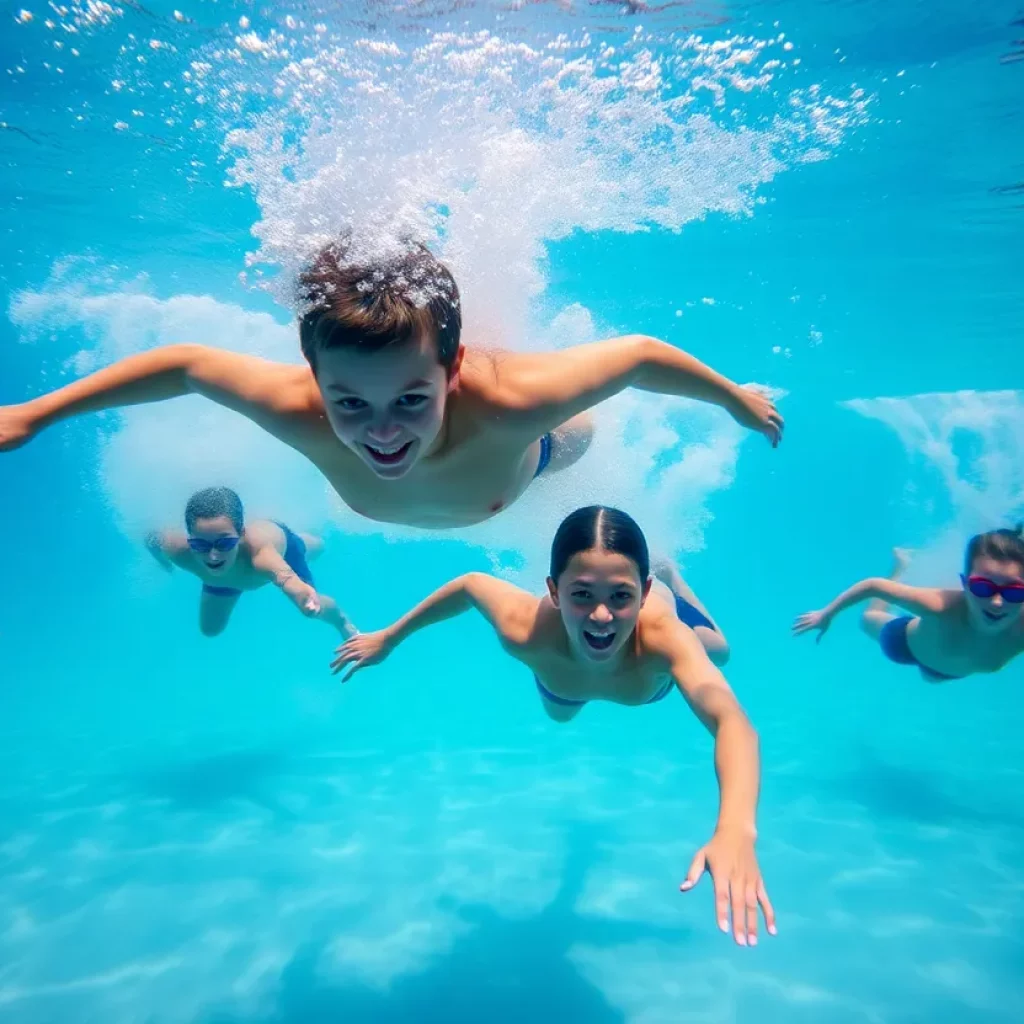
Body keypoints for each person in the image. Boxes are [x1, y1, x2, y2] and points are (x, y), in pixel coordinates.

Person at [0, 239, 783, 530]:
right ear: (315, 380)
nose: (380, 431)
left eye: (410, 399)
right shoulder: (293, 409)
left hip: (535, 455)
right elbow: (183, 368)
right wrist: (33, 415)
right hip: (472, 467)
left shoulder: (513, 402)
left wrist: (735, 401)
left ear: (453, 369)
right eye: (350, 402)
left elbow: (642, 356)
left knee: (579, 435)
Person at [332, 505, 773, 946]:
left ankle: (674, 580)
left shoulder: (664, 639)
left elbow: (731, 720)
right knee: (560, 714)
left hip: (655, 653)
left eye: (621, 596)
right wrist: (388, 637)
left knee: (719, 651)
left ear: (642, 592)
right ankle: (585, 646)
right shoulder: (523, 628)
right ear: (553, 591)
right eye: (582, 594)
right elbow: (468, 585)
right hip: (563, 682)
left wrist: (735, 827)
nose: (601, 615)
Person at [792, 527, 1024, 681]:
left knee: (931, 679)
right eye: (983, 587)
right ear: (964, 584)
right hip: (902, 645)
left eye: (1014, 591)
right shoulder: (940, 607)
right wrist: (826, 614)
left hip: (946, 672)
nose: (996, 602)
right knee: (867, 618)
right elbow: (873, 585)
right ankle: (900, 566)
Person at [147, 486, 357, 640]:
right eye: (200, 544)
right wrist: (162, 562)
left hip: (286, 550)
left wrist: (303, 596)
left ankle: (342, 621)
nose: (213, 556)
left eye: (225, 543)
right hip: (224, 580)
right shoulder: (178, 550)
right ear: (189, 537)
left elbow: (287, 578)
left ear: (241, 534)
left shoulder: (261, 555)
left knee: (313, 558)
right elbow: (152, 540)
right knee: (210, 630)